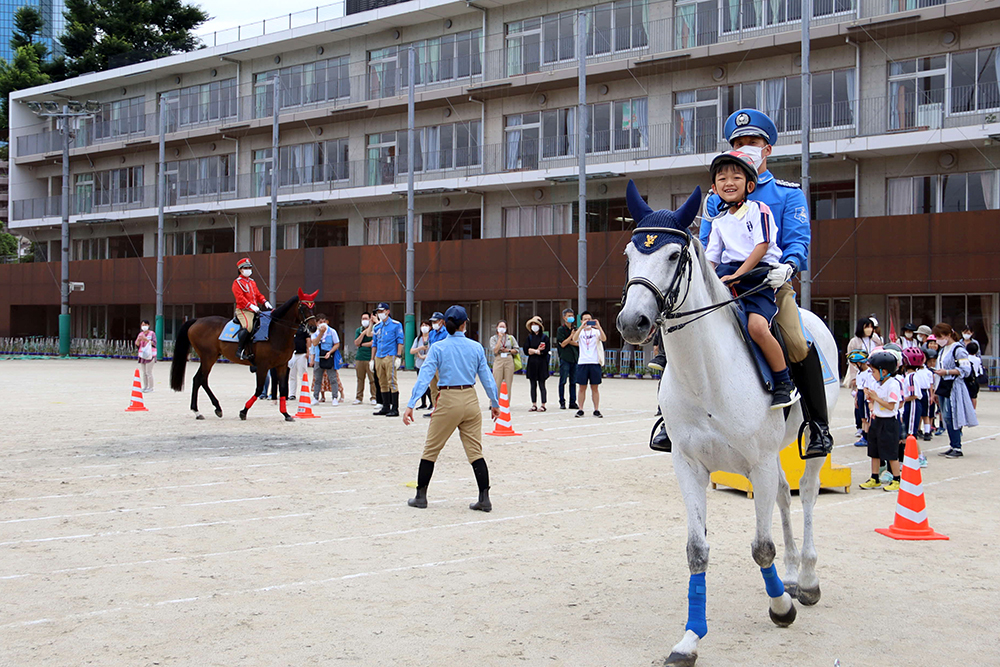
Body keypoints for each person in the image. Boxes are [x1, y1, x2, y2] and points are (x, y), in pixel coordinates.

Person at [702, 108, 833, 458]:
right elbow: (705, 248)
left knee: (794, 338)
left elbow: (797, 241)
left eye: (752, 142)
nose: (746, 147)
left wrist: (788, 268)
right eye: (738, 143)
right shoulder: (715, 198)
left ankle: (817, 426)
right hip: (725, 283)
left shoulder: (788, 194)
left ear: (767, 148)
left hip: (770, 282)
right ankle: (669, 418)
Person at [704, 149, 799, 408]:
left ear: (750, 185)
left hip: (758, 278)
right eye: (722, 179)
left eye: (736, 177)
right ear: (714, 187)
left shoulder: (759, 209)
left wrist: (738, 274)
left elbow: (762, 244)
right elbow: (711, 258)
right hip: (728, 275)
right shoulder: (719, 221)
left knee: (757, 327)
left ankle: (783, 382)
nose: (729, 183)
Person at [403, 305, 501, 512]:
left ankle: (421, 496)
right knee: (475, 452)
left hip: (448, 398)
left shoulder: (438, 348)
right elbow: (487, 378)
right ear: (465, 324)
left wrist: (412, 403)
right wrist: (494, 402)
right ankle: (484, 498)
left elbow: (425, 376)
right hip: (470, 399)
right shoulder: (475, 347)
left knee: (431, 449)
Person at [859, 350, 903, 491]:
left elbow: (891, 406)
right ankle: (874, 477)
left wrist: (876, 398)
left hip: (889, 422)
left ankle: (897, 479)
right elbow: (871, 401)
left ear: (884, 371)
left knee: (891, 452)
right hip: (876, 420)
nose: (872, 374)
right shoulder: (877, 383)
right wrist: (871, 404)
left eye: (874, 371)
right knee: (874, 451)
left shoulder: (892, 384)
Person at [933, 323, 978, 458]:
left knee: (952, 416)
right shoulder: (943, 350)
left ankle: (957, 446)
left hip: (954, 386)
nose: (938, 340)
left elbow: (966, 370)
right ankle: (953, 445)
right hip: (943, 386)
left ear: (948, 335)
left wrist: (947, 371)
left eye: (940, 336)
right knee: (946, 416)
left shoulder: (958, 349)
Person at [232, 257, 272, 363]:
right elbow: (240, 298)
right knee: (248, 327)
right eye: (245, 268)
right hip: (244, 310)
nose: (248, 269)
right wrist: (251, 306)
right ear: (240, 270)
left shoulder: (252, 282)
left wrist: (264, 302)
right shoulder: (237, 283)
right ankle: (240, 350)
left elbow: (258, 295)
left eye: (249, 267)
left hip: (255, 310)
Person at [371, 302, 404, 417]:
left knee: (392, 381)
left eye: (382, 311)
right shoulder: (377, 326)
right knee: (382, 381)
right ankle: (385, 406)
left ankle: (395, 408)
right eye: (378, 312)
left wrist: (399, 356)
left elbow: (400, 341)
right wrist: (372, 359)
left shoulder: (396, 325)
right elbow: (374, 343)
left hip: (390, 355)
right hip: (379, 356)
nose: (380, 314)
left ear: (387, 312)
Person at [571, 311, 606, 418]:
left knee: (595, 387)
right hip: (583, 362)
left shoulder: (595, 332)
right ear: (581, 320)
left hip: (594, 362)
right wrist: (581, 327)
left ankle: (596, 409)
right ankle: (581, 409)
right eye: (585, 319)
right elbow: (574, 339)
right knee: (582, 387)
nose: (587, 321)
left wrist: (599, 327)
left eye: (589, 319)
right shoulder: (580, 332)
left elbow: (604, 338)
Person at [900, 347, 929, 468]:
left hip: (913, 405)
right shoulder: (911, 376)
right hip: (911, 404)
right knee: (907, 433)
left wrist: (901, 399)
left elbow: (913, 395)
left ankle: (919, 457)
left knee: (910, 434)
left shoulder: (911, 377)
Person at [844, 317, 883, 388]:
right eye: (867, 327)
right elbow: (851, 361)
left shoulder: (875, 339)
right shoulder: (854, 342)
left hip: (874, 372)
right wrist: (853, 377)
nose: (869, 329)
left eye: (871, 327)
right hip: (860, 371)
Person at [423, 311, 448, 418]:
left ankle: (445, 409)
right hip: (432, 363)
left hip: (441, 363)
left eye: (436, 321)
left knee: (442, 387)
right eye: (432, 321)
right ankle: (435, 407)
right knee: (433, 388)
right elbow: (428, 346)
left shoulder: (446, 333)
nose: (434, 323)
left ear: (441, 321)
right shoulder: (432, 333)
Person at [523, 315, 550, 411]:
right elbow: (526, 350)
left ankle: (543, 404)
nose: (534, 326)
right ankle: (534, 404)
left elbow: (545, 350)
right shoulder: (529, 337)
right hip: (532, 363)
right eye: (533, 324)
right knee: (532, 384)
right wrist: (536, 351)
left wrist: (535, 351)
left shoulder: (544, 337)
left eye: (536, 324)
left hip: (542, 363)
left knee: (542, 384)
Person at [311, 314, 339, 405]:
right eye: (320, 322)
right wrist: (321, 333)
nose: (322, 324)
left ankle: (334, 397)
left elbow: (337, 344)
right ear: (316, 323)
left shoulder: (332, 331)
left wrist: (330, 352)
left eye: (324, 321)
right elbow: (314, 343)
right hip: (318, 358)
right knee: (317, 379)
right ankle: (315, 397)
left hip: (329, 357)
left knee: (333, 378)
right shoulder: (315, 333)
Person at [489, 320, 518, 404]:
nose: (502, 328)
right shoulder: (493, 338)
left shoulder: (510, 338)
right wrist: (500, 338)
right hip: (498, 359)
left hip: (508, 359)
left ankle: (506, 403)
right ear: (497, 328)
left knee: (508, 382)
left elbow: (516, 349)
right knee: (496, 382)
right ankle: (493, 402)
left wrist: (508, 350)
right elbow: (495, 350)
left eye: (503, 327)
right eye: (500, 327)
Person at [555, 308, 579, 410]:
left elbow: (578, 343)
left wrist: (571, 339)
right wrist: (571, 337)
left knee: (573, 381)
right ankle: (562, 402)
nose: (571, 318)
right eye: (568, 316)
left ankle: (572, 402)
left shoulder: (575, 329)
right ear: (564, 317)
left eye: (572, 316)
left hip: (574, 358)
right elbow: (563, 344)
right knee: (563, 380)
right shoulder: (561, 330)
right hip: (565, 358)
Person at [353, 312, 377, 405]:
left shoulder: (374, 329)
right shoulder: (358, 330)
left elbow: (372, 343)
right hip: (360, 357)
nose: (364, 320)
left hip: (370, 357)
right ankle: (359, 397)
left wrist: (362, 344)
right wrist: (363, 333)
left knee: (372, 379)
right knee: (360, 378)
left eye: (366, 318)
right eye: (363, 319)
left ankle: (374, 397)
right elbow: (356, 342)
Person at [847, 350, 870, 446]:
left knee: (865, 418)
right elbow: (858, 387)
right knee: (862, 417)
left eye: (855, 364)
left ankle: (866, 437)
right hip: (860, 394)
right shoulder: (860, 373)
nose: (854, 366)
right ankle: (864, 435)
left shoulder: (868, 373)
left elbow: (866, 388)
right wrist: (856, 398)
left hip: (864, 395)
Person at [411, 320, 434, 409]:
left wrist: (425, 356)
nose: (424, 327)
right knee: (421, 383)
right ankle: (423, 403)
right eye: (422, 325)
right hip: (419, 364)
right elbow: (412, 350)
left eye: (426, 325)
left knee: (428, 384)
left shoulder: (432, 337)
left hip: (429, 364)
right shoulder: (418, 339)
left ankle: (432, 401)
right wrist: (420, 348)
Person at [920, 348, 938, 442]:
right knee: (918, 414)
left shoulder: (928, 372)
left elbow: (931, 385)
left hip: (925, 392)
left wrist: (931, 395)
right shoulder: (915, 371)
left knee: (926, 414)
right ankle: (918, 430)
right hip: (917, 392)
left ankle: (927, 431)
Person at [135, 319, 156, 392]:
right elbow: (137, 345)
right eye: (142, 325)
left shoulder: (152, 333)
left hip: (150, 355)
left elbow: (154, 343)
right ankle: (145, 386)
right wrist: (138, 340)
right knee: (144, 373)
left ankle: (151, 387)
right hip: (142, 355)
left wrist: (146, 339)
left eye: (145, 325)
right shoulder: (140, 334)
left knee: (148, 372)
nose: (144, 326)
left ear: (148, 325)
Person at [966, 340, 984, 410]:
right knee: (974, 396)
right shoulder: (978, 359)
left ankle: (967, 409)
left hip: (967, 378)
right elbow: (980, 369)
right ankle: (973, 410)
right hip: (975, 378)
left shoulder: (966, 358)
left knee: (967, 395)